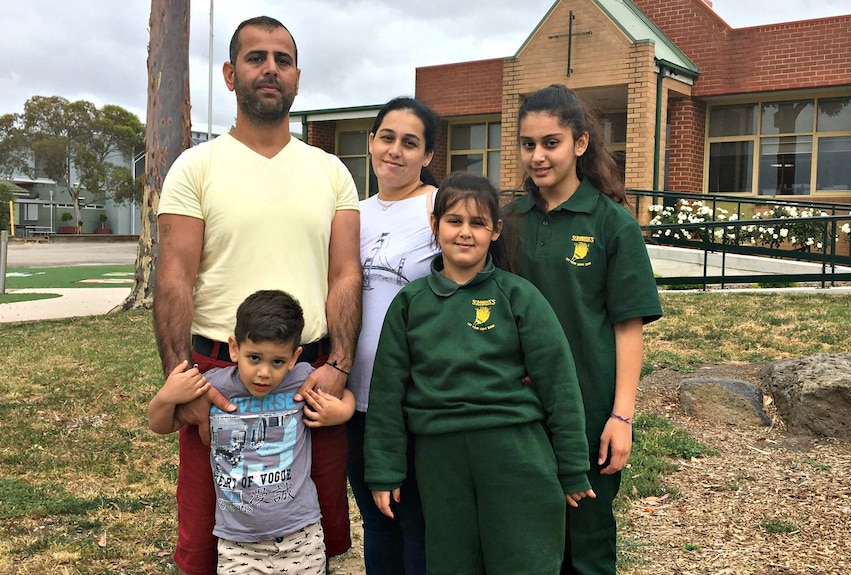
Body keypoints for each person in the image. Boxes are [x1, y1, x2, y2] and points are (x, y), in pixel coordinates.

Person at [153, 15, 362, 575]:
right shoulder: (196, 168)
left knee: (311, 531)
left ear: (296, 77)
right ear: (229, 74)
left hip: (306, 375)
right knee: (207, 539)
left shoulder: (332, 171)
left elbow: (345, 275)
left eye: (283, 59)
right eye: (256, 57)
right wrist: (183, 385)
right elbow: (173, 278)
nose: (271, 69)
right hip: (218, 377)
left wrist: (339, 364)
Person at [364, 172, 595, 575]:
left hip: (515, 450)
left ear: (495, 230)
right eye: (454, 221)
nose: (465, 233)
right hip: (440, 456)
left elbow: (559, 384)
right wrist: (385, 470)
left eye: (478, 223)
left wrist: (572, 466)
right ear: (435, 226)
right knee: (452, 563)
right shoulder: (411, 303)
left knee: (524, 559)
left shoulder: (518, 296)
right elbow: (387, 392)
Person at [511, 84, 663, 575]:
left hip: (589, 410)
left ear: (579, 143)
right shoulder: (506, 222)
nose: (537, 156)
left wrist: (621, 417)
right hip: (516, 408)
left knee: (587, 546)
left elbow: (628, 327)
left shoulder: (612, 224)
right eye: (528, 143)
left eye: (550, 142)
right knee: (524, 543)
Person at [149, 290, 356, 575]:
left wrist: (342, 412)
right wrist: (166, 397)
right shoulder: (212, 387)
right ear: (234, 348)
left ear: (294, 357)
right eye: (254, 357)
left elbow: (345, 395)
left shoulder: (301, 379)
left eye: (277, 362)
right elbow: (161, 424)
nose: (264, 373)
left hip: (301, 536)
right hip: (238, 543)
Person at [345, 96, 440, 575]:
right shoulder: (351, 213)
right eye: (387, 137)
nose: (395, 151)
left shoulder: (441, 208)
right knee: (377, 521)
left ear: (427, 156)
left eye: (410, 143)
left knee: (417, 524)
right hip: (357, 399)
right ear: (371, 142)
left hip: (416, 399)